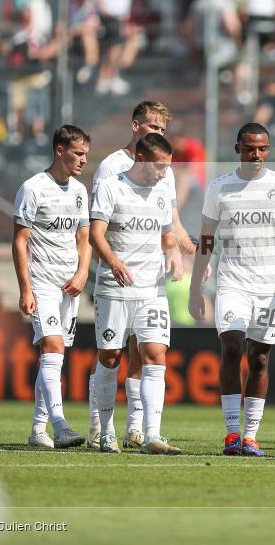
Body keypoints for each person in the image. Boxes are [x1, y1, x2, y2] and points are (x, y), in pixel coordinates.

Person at [189, 123, 275, 457]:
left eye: (261, 149)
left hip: (269, 286)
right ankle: (231, 433)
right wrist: (194, 288)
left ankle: (251, 435)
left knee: (259, 359)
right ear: (237, 149)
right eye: (249, 148)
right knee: (231, 346)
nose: (255, 155)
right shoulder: (219, 188)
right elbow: (206, 240)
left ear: (268, 150)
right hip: (232, 283)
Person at [87, 100, 195, 451]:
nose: (157, 133)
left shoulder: (164, 179)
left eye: (162, 129)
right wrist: (109, 263)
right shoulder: (111, 172)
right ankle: (101, 428)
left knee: (152, 352)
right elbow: (95, 228)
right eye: (152, 127)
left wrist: (178, 252)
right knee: (111, 357)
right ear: (136, 127)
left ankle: (147, 433)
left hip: (151, 287)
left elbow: (169, 223)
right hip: (115, 283)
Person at [12, 125, 92, 449]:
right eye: (78, 153)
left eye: (86, 153)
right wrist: (25, 289)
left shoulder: (79, 191)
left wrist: (83, 273)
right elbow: (19, 241)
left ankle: (37, 429)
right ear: (60, 151)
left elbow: (84, 239)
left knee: (54, 357)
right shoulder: (33, 188)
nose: (84, 160)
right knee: (53, 348)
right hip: (43, 282)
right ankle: (60, 426)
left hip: (69, 287)